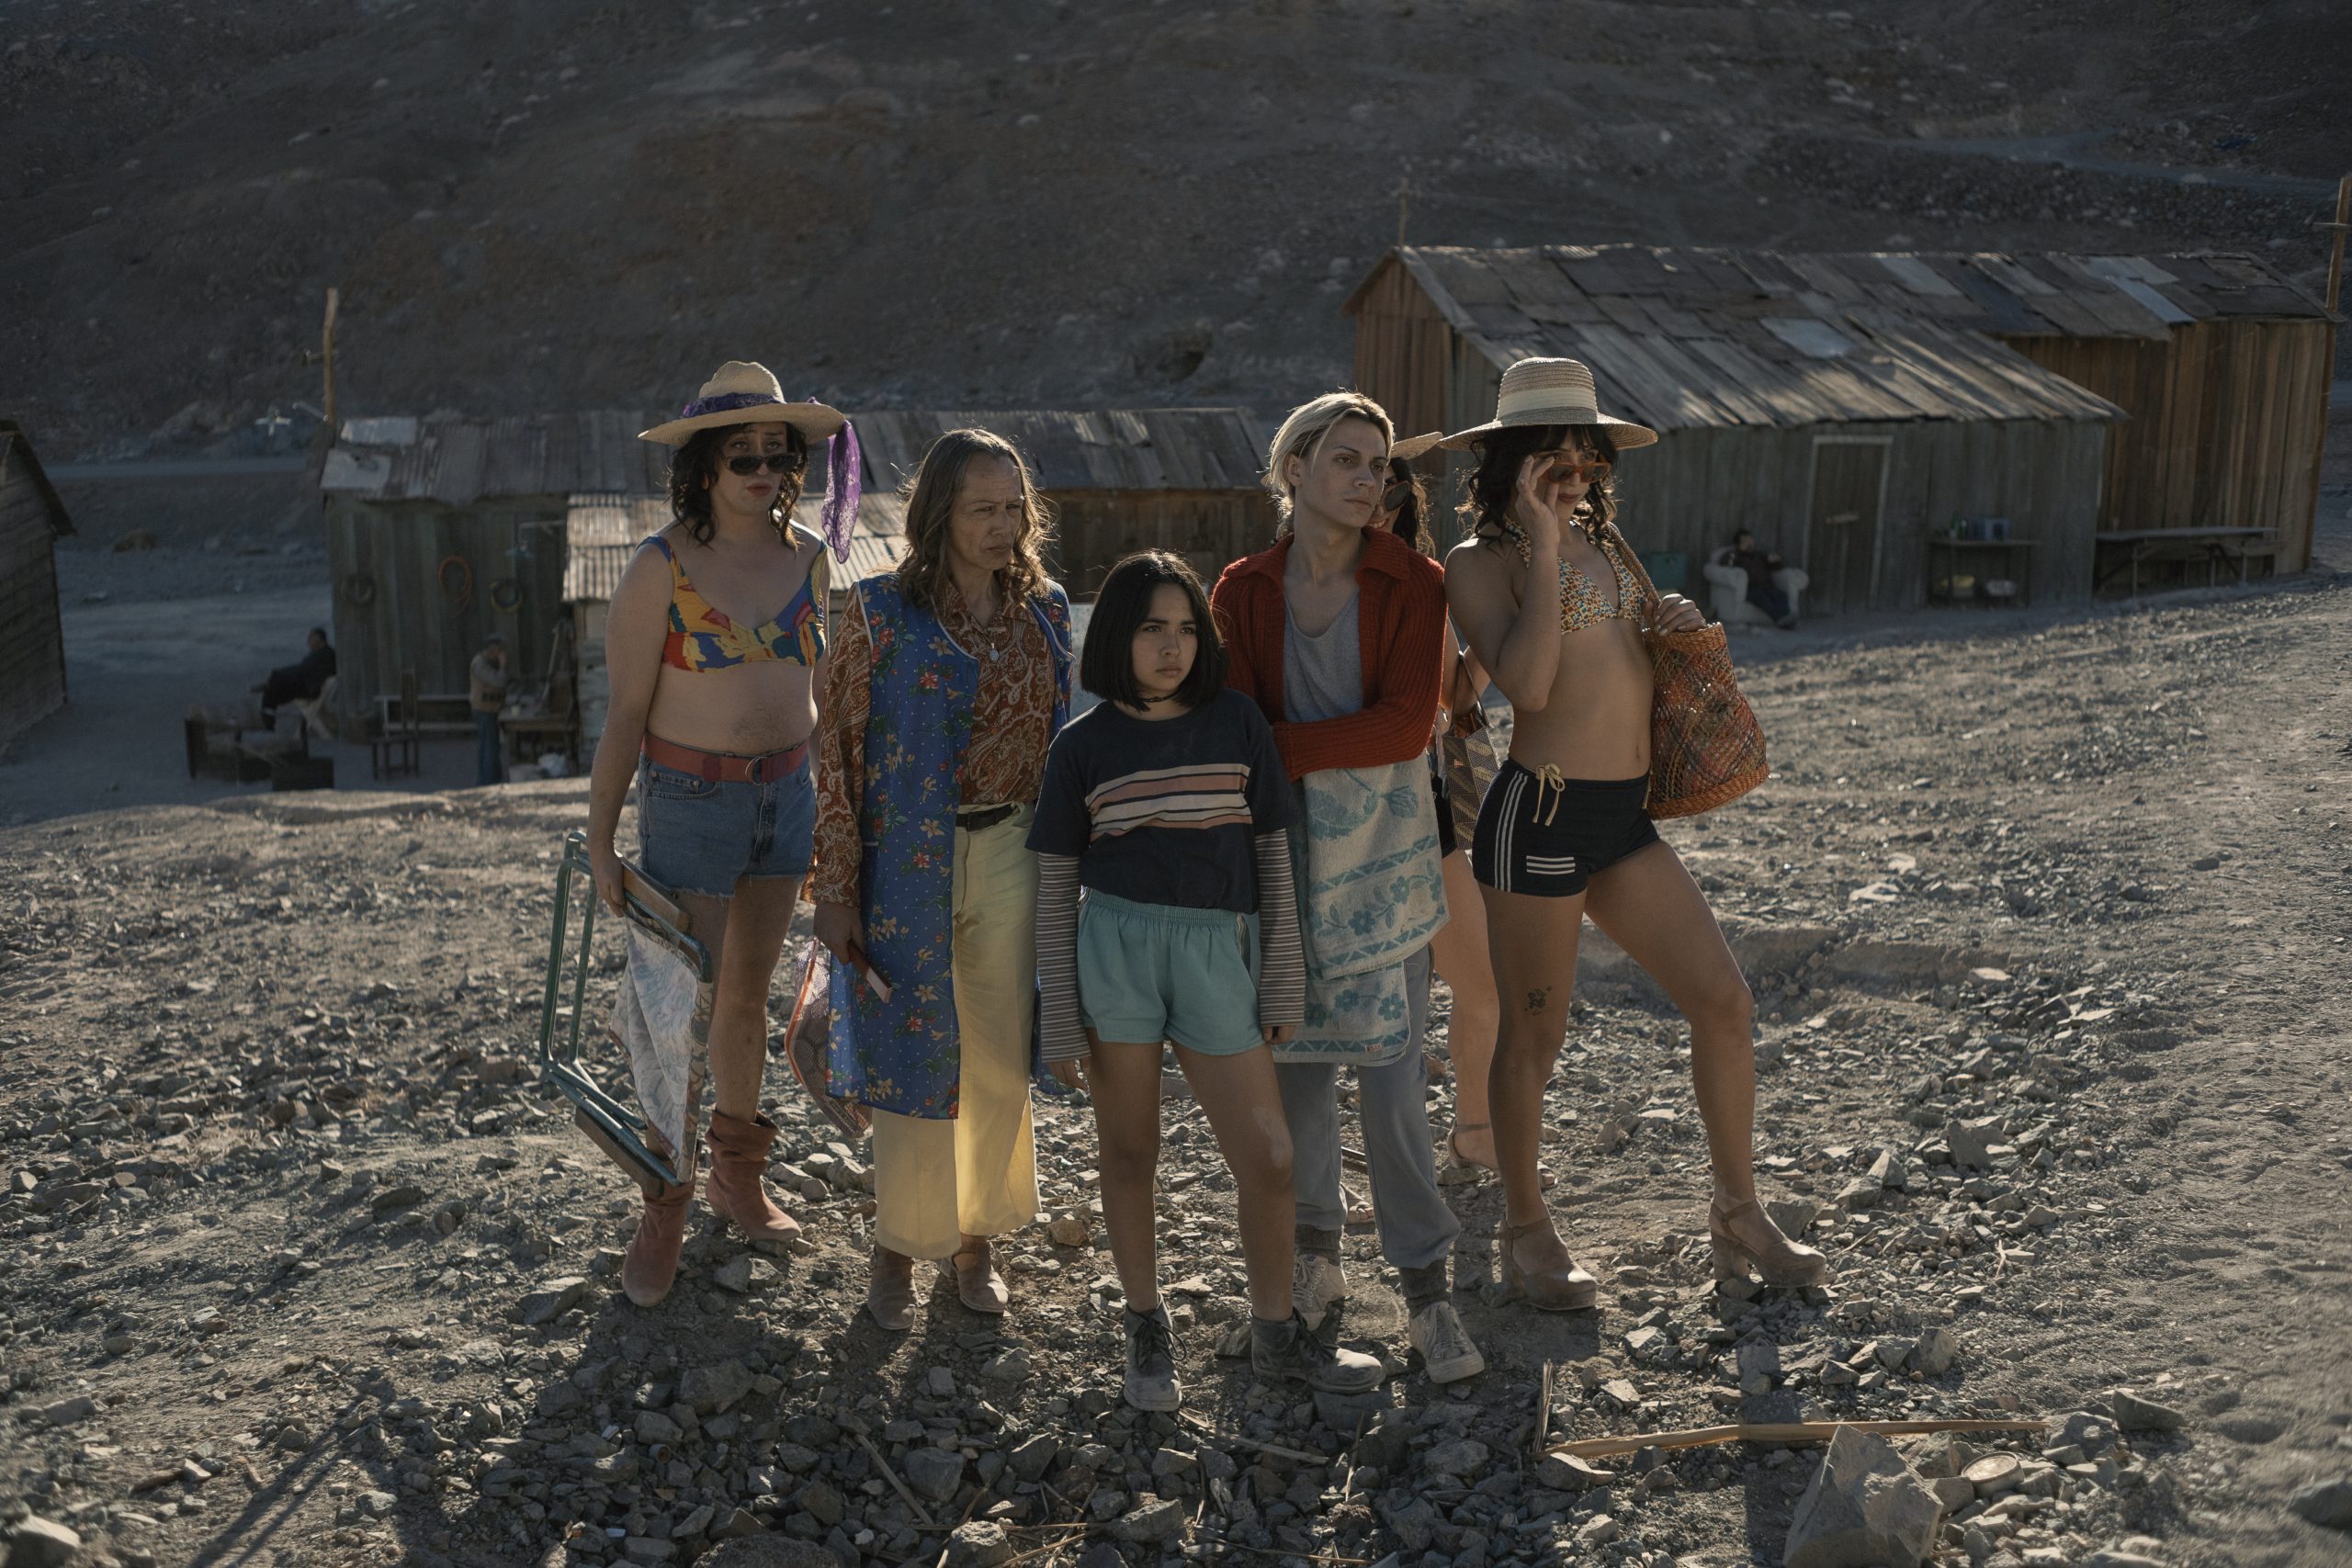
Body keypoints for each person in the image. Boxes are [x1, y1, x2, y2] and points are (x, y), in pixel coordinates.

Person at [1439, 358, 1827, 1308]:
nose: (1570, 471)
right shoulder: (1479, 564)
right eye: (1549, 456)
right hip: (1539, 811)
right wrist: (1536, 536)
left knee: (1724, 1002)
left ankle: (1736, 1209)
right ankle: (1524, 1227)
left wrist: (1675, 624)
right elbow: (1525, 688)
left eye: (1583, 455)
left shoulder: (1610, 548)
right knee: (1535, 1038)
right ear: (1508, 463)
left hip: (1620, 816)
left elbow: (1633, 655)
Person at [1030, 550, 1384, 1410]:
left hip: (1218, 950)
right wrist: (1059, 1014)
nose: (1172, 646)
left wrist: (1284, 978)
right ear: (1116, 634)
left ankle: (1274, 1336)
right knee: (1130, 1149)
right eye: (1153, 628)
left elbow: (1273, 856)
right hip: (1114, 949)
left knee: (1268, 1157)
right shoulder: (1082, 745)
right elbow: (1052, 886)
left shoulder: (1236, 724)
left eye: (1187, 629)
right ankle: (1147, 1324)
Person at [1212, 392, 1484, 1386]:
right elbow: (1228, 715)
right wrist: (1272, 762)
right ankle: (1316, 1268)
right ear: (1293, 470)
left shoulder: (1413, 581)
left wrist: (1276, 752)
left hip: (1386, 851)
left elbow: (1407, 724)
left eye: (1378, 465)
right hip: (1280, 858)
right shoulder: (1241, 590)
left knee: (1392, 1076)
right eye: (1346, 460)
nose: (1369, 479)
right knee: (1293, 1072)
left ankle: (1427, 1294)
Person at [586, 360, 853, 1308]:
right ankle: (663, 1197)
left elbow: (830, 694)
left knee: (744, 998)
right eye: (742, 455)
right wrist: (599, 840)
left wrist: (843, 809)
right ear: (702, 465)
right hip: (690, 804)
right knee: (671, 1010)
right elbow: (623, 715)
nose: (764, 470)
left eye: (780, 455)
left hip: (787, 796)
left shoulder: (813, 556)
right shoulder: (660, 565)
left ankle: (738, 1174)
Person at [812, 428, 1072, 1332]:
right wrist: (836, 888)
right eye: (981, 510)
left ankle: (976, 1238)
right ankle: (899, 1247)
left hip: (1012, 852)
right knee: (910, 1056)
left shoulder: (1047, 614)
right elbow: (836, 754)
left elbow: (1065, 748)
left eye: (1014, 508)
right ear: (939, 516)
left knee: (998, 1056)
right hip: (903, 861)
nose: (1002, 527)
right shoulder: (879, 613)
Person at [1381, 439, 1502, 1179]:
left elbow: (1454, 698)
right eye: (1355, 472)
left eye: (1390, 484)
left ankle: (1474, 1137)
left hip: (1429, 809)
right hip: (1334, 818)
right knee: (1350, 1004)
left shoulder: (1426, 583)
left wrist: (1495, 624)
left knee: (1481, 983)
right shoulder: (1292, 583)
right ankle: (1318, 1176)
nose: (1375, 494)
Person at [1722, 529, 1797, 629]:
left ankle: (1786, 618)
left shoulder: (1760, 555)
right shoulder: (1735, 555)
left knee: (1781, 595)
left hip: (1766, 586)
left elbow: (1777, 566)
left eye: (1750, 539)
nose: (1749, 542)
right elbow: (1726, 564)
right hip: (1750, 589)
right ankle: (1780, 619)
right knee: (1762, 598)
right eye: (1745, 540)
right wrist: (1737, 552)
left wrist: (1775, 561)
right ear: (1738, 543)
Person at [258, 626, 335, 723]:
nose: (308, 641)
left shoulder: (321, 655)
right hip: (310, 686)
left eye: (311, 638)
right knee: (272, 690)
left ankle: (267, 724)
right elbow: (303, 669)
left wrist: (276, 674)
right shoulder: (325, 653)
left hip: (310, 690)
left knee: (272, 690)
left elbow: (302, 669)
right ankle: (267, 721)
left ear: (319, 639)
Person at [469, 636, 509, 786]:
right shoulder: (480, 664)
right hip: (483, 710)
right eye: (499, 651)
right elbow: (498, 681)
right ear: (492, 650)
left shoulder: (486, 662)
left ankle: (490, 778)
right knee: (489, 747)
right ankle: (488, 781)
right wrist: (503, 666)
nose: (501, 654)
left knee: (490, 745)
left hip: (490, 709)